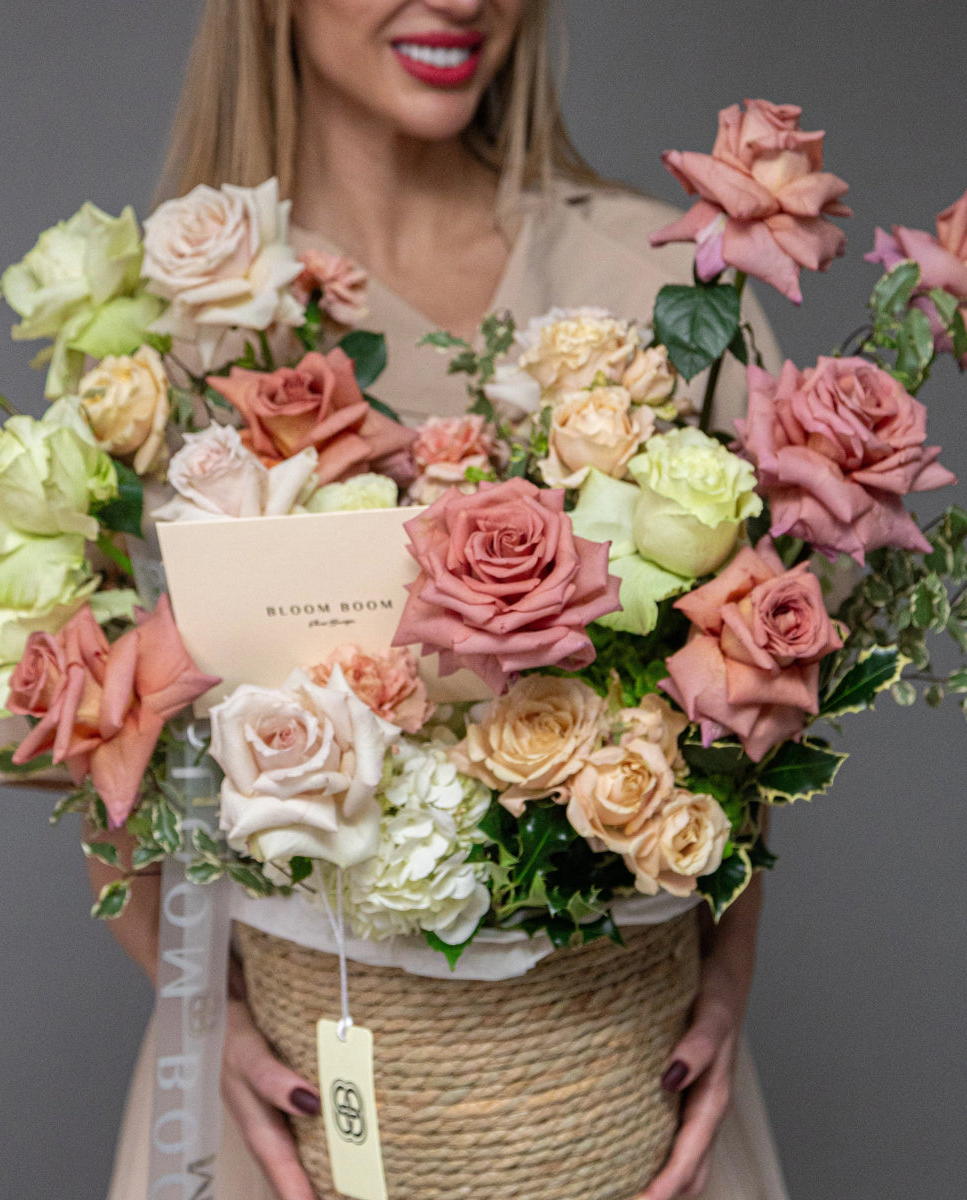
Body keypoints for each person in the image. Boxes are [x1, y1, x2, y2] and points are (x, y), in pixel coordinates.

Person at [91, 2, 789, 1198]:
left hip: (616, 1104)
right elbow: (83, 733)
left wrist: (722, 989)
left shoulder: (663, 283)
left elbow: (762, 703)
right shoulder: (166, 336)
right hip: (297, 1133)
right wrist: (208, 1014)